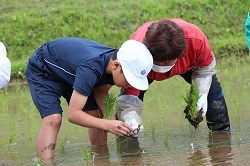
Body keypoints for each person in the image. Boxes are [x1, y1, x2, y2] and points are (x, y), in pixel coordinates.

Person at [25, 37, 153, 162]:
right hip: (45, 69)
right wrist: (107, 124)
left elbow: (101, 91)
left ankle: (101, 160)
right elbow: (73, 115)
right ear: (116, 66)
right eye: (130, 80)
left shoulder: (115, 64)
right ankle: (45, 162)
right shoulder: (91, 69)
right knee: (53, 119)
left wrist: (112, 119)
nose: (131, 85)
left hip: (75, 73)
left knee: (95, 116)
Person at [117, 18, 230, 136]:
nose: (163, 68)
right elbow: (129, 98)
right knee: (128, 111)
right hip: (145, 69)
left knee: (213, 90)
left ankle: (222, 134)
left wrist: (201, 94)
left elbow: (205, 70)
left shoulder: (195, 40)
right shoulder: (137, 54)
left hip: (187, 65)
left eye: (167, 63)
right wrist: (130, 118)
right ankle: (128, 143)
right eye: (159, 63)